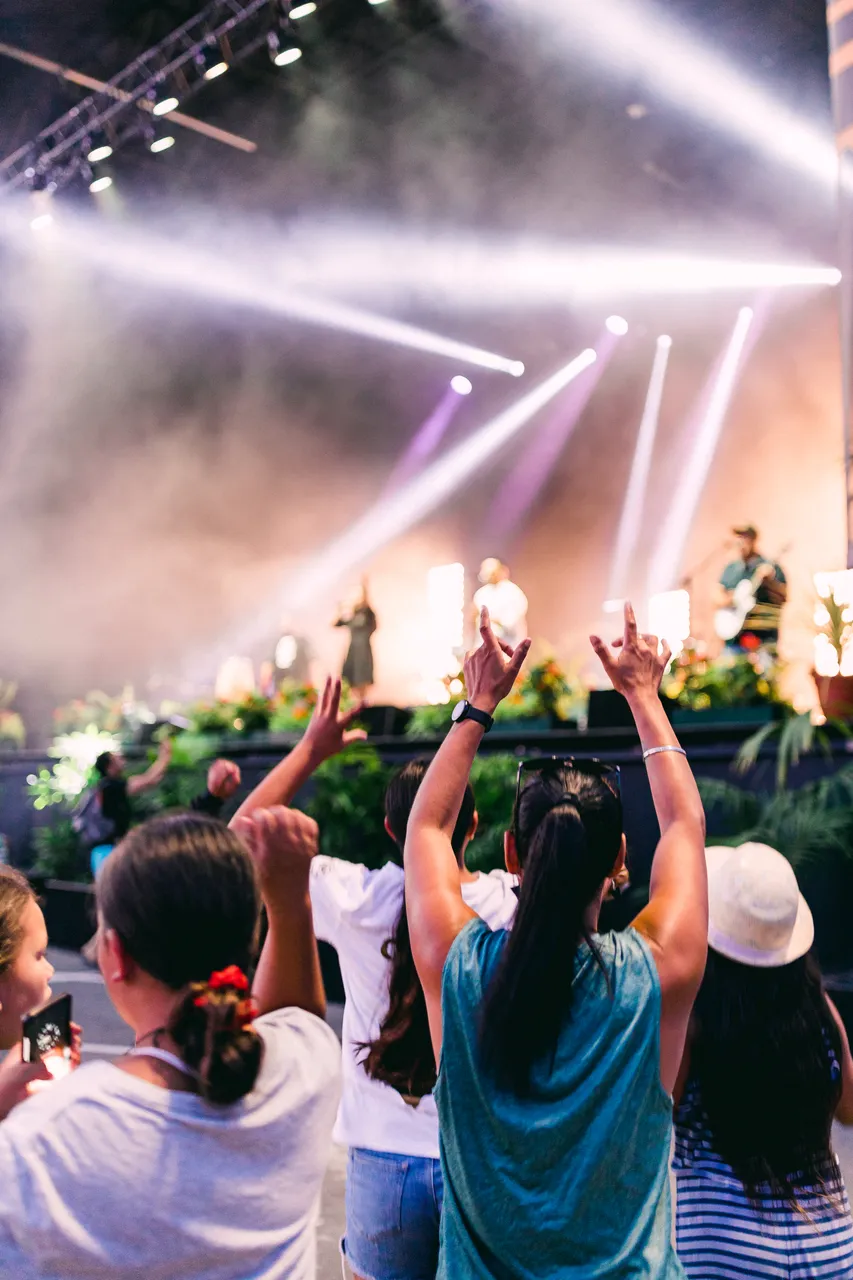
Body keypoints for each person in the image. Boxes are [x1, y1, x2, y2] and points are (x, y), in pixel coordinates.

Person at [404, 602, 707, 1277]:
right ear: (620, 858)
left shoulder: (456, 969)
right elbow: (684, 824)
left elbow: (426, 829)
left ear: (512, 854)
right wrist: (642, 696)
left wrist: (478, 705)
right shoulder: (656, 974)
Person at [232, 686, 518, 1280]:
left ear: (391, 827)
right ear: (473, 824)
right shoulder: (507, 902)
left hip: (383, 1159)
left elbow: (241, 838)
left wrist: (310, 752)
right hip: (479, 1158)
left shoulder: (355, 897)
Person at [0, 806, 341, 1279]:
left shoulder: (40, 1142)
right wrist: (290, 904)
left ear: (116, 955)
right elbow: (298, 1014)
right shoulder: (307, 1065)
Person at [674, 843, 853, 1277]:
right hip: (828, 1249)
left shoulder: (692, 1020)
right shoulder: (820, 1013)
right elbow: (849, 1108)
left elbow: (655, 1112)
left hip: (724, 1246)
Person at [85, 738, 174, 876]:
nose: (122, 759)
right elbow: (149, 779)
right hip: (107, 850)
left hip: (107, 849)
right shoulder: (111, 787)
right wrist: (165, 756)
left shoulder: (108, 786)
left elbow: (152, 779)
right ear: (109, 766)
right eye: (117, 758)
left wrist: (163, 763)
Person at [716, 524, 787, 652]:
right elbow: (716, 598)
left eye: (745, 537)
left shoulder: (769, 566)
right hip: (734, 637)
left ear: (753, 540)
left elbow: (784, 597)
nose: (741, 542)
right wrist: (735, 598)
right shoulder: (731, 568)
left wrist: (769, 582)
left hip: (763, 637)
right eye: (738, 537)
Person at [335, 577, 377, 701]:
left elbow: (374, 626)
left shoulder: (367, 611)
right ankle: (356, 703)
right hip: (353, 649)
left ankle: (363, 703)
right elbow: (337, 624)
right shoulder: (351, 613)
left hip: (363, 648)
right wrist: (341, 610)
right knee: (351, 680)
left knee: (362, 678)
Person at [472, 558, 528, 649]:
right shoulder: (481, 594)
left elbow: (512, 619)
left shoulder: (513, 592)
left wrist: (495, 620)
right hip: (486, 645)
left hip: (508, 644)